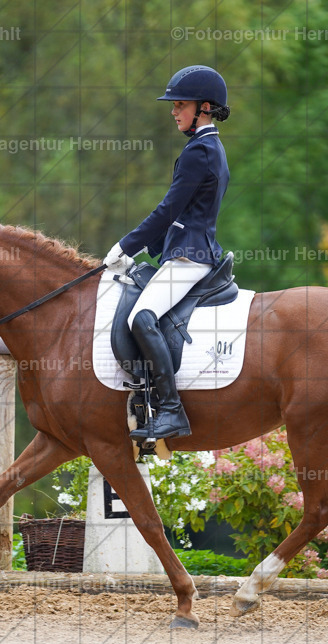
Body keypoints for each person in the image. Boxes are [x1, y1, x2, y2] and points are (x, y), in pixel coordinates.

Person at [103, 65, 231, 441]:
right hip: (184, 249)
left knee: (141, 318)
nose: (174, 111)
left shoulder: (201, 151)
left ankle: (172, 410)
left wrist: (125, 245)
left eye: (180, 105)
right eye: (173, 105)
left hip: (191, 256)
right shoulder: (207, 147)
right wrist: (145, 248)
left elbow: (168, 209)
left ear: (204, 107)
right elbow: (184, 213)